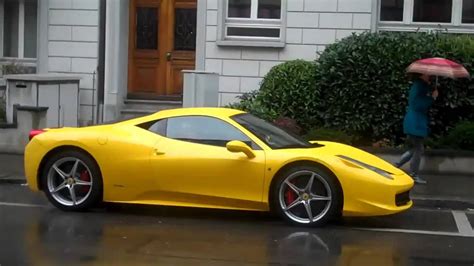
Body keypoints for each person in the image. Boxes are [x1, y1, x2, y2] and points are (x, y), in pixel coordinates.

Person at [395, 74, 438, 184]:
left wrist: (430, 91)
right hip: (415, 122)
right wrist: (432, 98)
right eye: (428, 76)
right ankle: (413, 174)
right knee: (418, 149)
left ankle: (396, 166)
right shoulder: (419, 86)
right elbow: (418, 105)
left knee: (414, 149)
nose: (430, 77)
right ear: (423, 75)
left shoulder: (420, 86)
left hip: (414, 121)